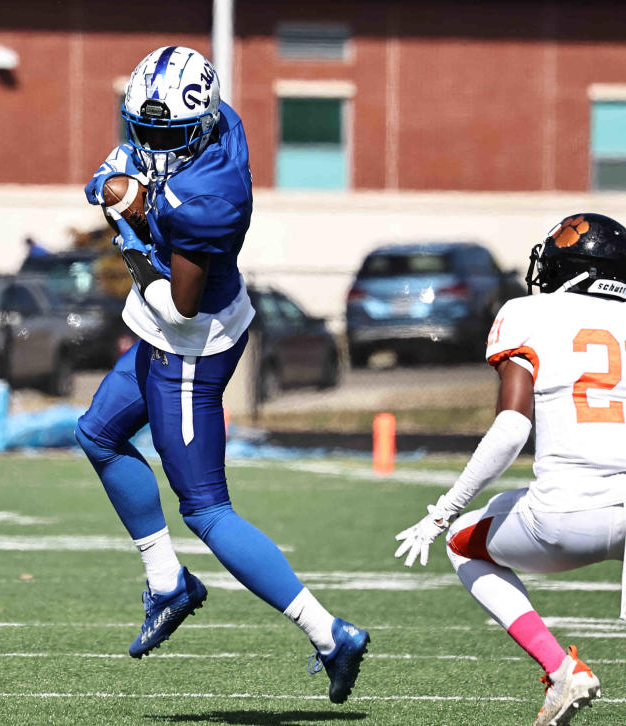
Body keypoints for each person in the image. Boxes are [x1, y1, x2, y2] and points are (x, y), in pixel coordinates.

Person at [76, 45, 369, 703]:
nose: (150, 144)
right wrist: (123, 184)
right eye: (140, 131)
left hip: (188, 344)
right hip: (175, 327)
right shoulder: (213, 122)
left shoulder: (205, 200)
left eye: (163, 135)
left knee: (206, 508)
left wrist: (129, 227)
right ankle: (166, 583)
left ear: (197, 127)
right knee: (96, 435)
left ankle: (329, 634)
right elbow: (134, 169)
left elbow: (178, 306)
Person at [394, 212, 626, 726]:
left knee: (461, 540)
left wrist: (442, 511)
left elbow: (511, 430)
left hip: (566, 517)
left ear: (572, 267)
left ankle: (560, 668)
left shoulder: (530, 312)